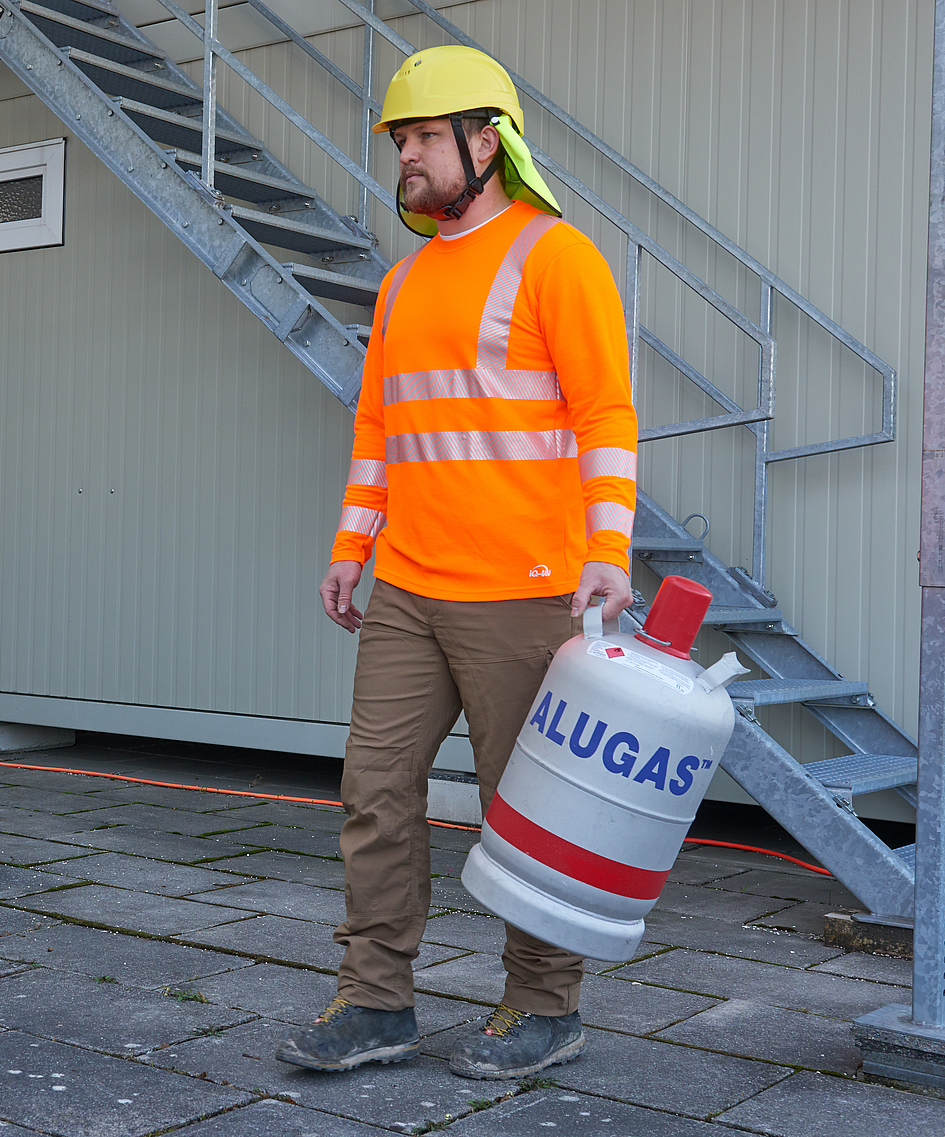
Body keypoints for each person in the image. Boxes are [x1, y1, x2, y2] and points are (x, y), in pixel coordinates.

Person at [276, 44, 637, 1079]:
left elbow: (606, 412)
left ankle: (543, 1005)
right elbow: (380, 431)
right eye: (400, 141)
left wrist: (606, 547)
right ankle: (377, 1001)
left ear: (490, 141)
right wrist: (353, 547)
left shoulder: (557, 257)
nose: (408, 158)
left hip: (526, 595)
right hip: (409, 589)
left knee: (527, 813)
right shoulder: (403, 283)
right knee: (375, 792)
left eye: (426, 137)